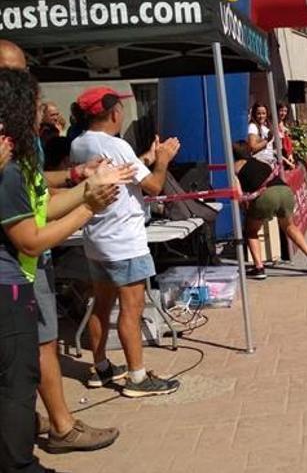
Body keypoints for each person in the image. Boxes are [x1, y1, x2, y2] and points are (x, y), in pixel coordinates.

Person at [1, 40, 130, 455]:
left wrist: (83, 186)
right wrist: (89, 204)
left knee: (29, 358)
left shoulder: (19, 153)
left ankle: (39, 424)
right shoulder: (6, 161)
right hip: (15, 275)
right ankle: (48, 432)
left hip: (25, 270)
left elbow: (38, 198)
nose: (34, 97)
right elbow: (30, 235)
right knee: (26, 361)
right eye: (16, 81)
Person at [70, 86, 183, 397]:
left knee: (101, 305)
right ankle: (137, 377)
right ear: (114, 113)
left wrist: (145, 157)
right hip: (124, 239)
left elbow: (125, 171)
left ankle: (101, 367)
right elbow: (154, 186)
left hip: (97, 238)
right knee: (130, 310)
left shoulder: (79, 143)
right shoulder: (115, 144)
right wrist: (162, 160)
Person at [232, 144, 307, 279]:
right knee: (289, 226)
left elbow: (239, 193)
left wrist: (244, 205)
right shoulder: (261, 162)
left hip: (266, 195)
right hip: (284, 191)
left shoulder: (234, 168)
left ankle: (259, 268)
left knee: (251, 231)